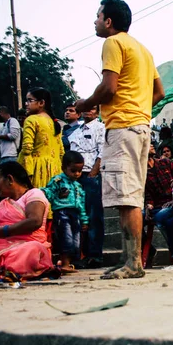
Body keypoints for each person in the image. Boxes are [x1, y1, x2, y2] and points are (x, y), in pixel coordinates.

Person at [75, 0, 165, 279]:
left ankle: (133, 263)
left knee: (127, 198)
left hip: (124, 127)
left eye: (98, 16)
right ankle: (130, 260)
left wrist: (84, 104)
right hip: (140, 126)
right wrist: (139, 107)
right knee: (131, 196)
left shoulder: (113, 43)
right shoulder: (143, 49)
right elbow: (159, 92)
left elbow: (109, 87)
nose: (95, 21)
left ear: (109, 21)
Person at [0, 162, 55, 278]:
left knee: (33, 249)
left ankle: (1, 269)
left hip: (23, 248)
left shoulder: (34, 194)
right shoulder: (3, 203)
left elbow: (34, 221)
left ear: (10, 179)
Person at [69, 104, 105, 267]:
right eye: (85, 108)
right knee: (78, 214)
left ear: (96, 112)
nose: (88, 111)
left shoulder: (100, 128)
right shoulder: (75, 132)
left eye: (91, 109)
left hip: (92, 175)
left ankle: (95, 255)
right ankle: (79, 254)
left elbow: (102, 152)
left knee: (93, 215)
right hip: (77, 176)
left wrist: (94, 172)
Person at [42, 151, 88, 273]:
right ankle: (65, 263)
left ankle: (69, 262)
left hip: (75, 214)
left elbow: (81, 204)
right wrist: (42, 193)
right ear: (64, 168)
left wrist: (84, 220)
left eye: (79, 171)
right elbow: (50, 192)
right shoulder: (58, 181)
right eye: (73, 171)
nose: (77, 174)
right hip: (62, 213)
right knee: (65, 238)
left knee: (76, 240)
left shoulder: (78, 186)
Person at [144, 143, 173, 264]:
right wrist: (148, 204)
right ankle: (150, 250)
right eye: (147, 143)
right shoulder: (142, 171)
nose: (151, 144)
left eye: (151, 143)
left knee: (160, 218)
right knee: (136, 220)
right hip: (158, 206)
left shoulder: (165, 163)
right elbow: (147, 194)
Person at [18, 88, 64, 188]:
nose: (26, 104)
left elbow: (27, 148)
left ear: (41, 103)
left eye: (30, 100)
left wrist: (20, 166)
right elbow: (61, 152)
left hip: (38, 170)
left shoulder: (31, 119)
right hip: (56, 170)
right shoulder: (54, 122)